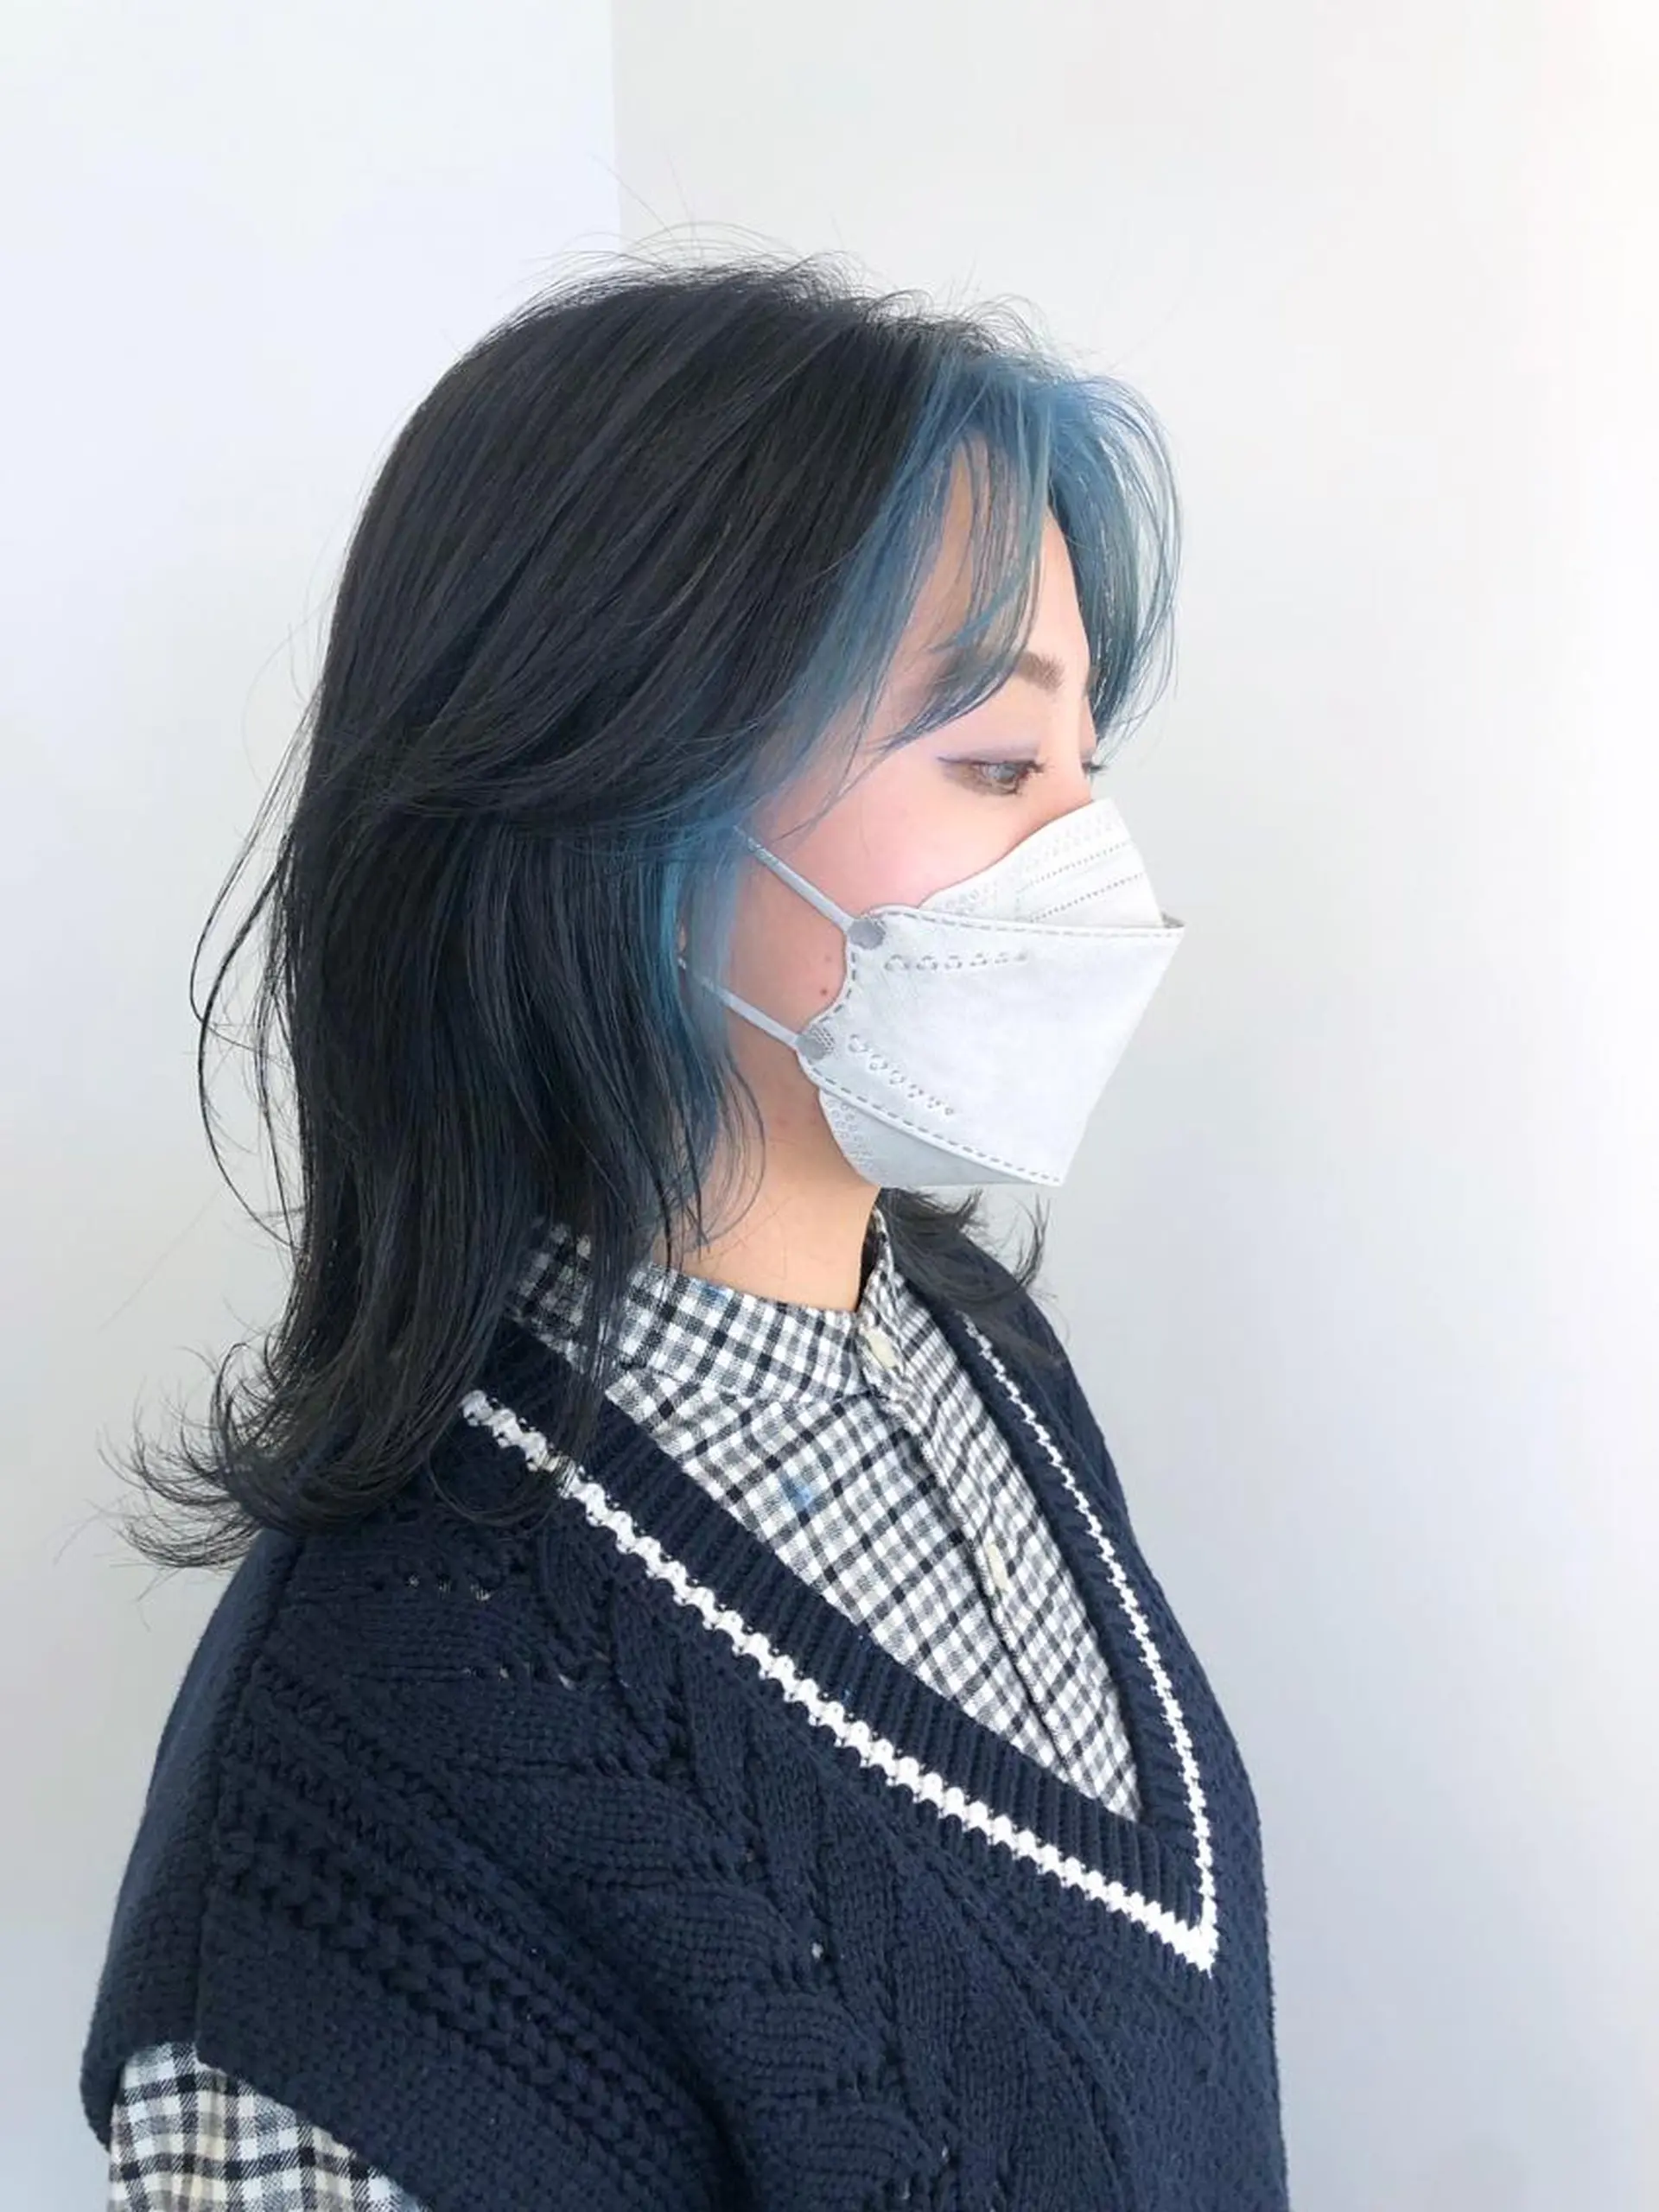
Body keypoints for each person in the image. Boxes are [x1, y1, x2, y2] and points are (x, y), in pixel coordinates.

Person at [81, 247, 1292, 2210]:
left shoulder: (972, 1345)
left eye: (1088, 763)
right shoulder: (346, 1853)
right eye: (996, 760)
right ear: (617, 789)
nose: (1091, 858)